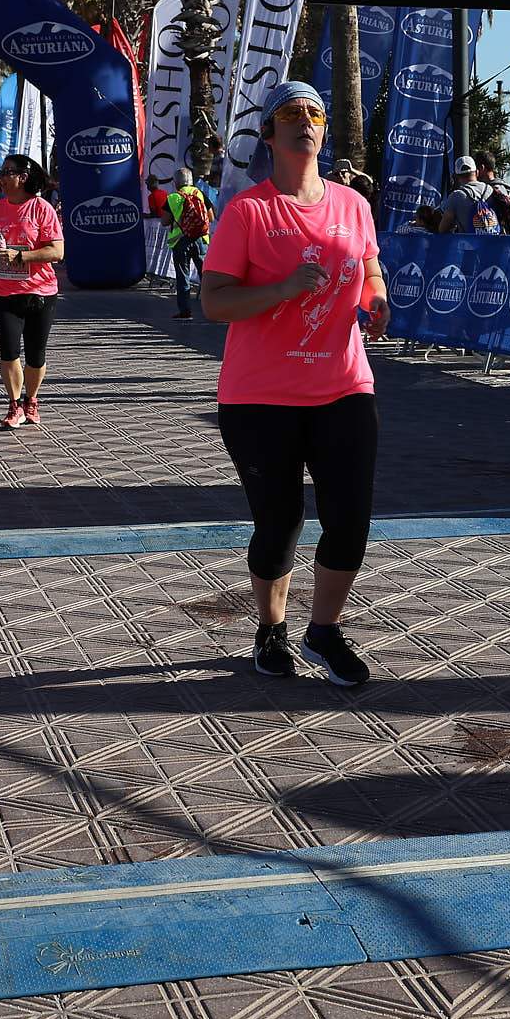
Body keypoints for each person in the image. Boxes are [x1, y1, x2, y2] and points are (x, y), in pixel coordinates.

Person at [199, 81, 389, 689]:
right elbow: (214, 302)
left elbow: (368, 267)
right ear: (269, 135)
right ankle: (272, 628)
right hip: (260, 398)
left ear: (324, 130)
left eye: (315, 112)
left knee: (351, 518)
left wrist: (376, 300)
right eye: (291, 114)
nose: (305, 121)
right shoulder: (247, 210)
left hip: (344, 385)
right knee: (279, 524)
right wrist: (282, 290)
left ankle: (325, 630)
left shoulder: (353, 206)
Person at [0, 154, 64, 429]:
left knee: (36, 355)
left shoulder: (41, 208)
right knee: (9, 352)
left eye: (7, 172)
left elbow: (57, 251)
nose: (1, 176)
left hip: (40, 291)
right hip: (4, 292)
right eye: (2, 171)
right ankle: (14, 404)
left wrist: (21, 257)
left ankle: (31, 399)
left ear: (23, 177)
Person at [166, 166, 212, 319]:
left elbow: (164, 221)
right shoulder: (199, 193)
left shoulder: (173, 197)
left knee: (183, 276)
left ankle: (185, 311)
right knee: (205, 275)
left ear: (176, 182)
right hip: (200, 239)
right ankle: (214, 308)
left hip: (180, 241)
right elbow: (211, 216)